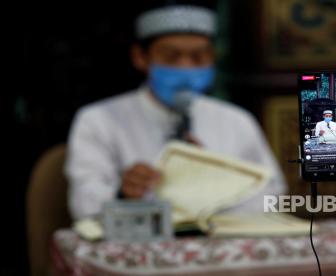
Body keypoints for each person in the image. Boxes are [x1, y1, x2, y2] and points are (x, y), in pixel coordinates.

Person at [65, 5, 286, 220]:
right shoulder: (98, 120)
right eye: (171, 57)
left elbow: (274, 197)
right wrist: (123, 194)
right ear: (140, 57)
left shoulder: (236, 121)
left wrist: (221, 190)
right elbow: (84, 205)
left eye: (198, 57)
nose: (186, 67)